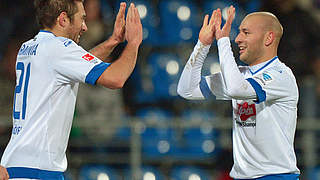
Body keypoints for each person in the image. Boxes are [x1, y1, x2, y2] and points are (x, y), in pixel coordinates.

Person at [0, 0, 142, 179]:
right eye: (81, 19)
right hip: (37, 169)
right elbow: (116, 78)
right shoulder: (59, 49)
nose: (84, 27)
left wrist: (112, 41)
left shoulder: (29, 47)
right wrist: (134, 43)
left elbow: (78, 63)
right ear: (63, 19)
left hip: (17, 164)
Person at [177, 6, 300, 179]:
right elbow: (187, 90)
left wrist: (223, 41)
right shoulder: (240, 75)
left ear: (268, 38)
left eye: (246, 32)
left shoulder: (280, 75)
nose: (238, 39)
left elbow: (236, 89)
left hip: (275, 176)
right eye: (238, 32)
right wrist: (203, 44)